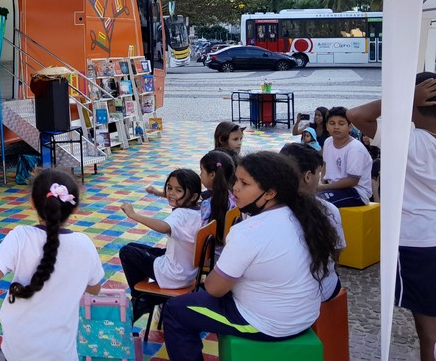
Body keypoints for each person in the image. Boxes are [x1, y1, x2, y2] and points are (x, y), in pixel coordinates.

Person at [162, 152, 339, 360]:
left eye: (244, 184)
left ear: (270, 193)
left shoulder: (248, 231)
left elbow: (214, 289)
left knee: (175, 311)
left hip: (267, 324)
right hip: (304, 316)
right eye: (236, 179)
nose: (235, 187)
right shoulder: (305, 216)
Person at [348, 73, 436, 361]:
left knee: (430, 330)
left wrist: (401, 99)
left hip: (418, 243)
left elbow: (355, 115)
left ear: (413, 104)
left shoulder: (405, 139)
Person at [0, 169, 104, 360]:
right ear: (75, 209)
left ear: (32, 203)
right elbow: (94, 288)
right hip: (59, 349)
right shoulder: (84, 244)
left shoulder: (21, 236)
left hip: (18, 343)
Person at [120, 169, 203, 318]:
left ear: (193, 196)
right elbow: (178, 196)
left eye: (178, 190)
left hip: (173, 275)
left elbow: (164, 227)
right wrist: (158, 192)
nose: (171, 193)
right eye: (169, 188)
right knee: (135, 247)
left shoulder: (181, 214)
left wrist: (133, 215)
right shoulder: (200, 208)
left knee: (127, 252)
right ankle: (145, 297)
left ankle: (142, 298)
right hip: (187, 273)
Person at [280, 142, 344, 301]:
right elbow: (336, 252)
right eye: (319, 174)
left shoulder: (265, 210)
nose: (320, 179)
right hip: (322, 290)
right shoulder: (328, 210)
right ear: (308, 176)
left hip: (280, 292)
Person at [318, 106, 373, 207]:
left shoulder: (355, 148)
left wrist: (323, 187)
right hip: (332, 187)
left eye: (341, 123)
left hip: (356, 192)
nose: (336, 127)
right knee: (307, 198)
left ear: (350, 127)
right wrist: (321, 183)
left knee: (319, 204)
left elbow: (352, 181)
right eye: (332, 123)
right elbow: (325, 165)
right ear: (326, 126)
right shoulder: (328, 142)